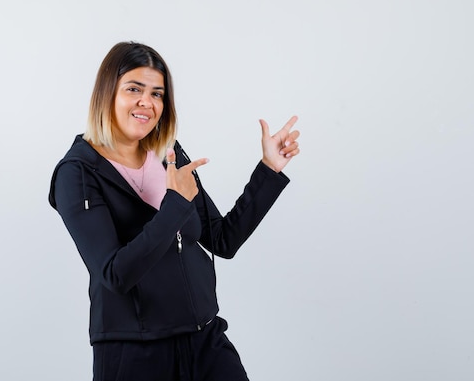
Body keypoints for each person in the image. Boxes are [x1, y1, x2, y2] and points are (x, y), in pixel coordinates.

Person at [48, 41, 300, 381]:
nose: (146, 102)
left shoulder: (167, 153)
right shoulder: (76, 173)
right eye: (134, 89)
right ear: (107, 93)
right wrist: (174, 205)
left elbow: (222, 239)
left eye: (157, 94)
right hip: (135, 353)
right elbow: (114, 274)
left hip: (205, 341)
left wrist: (269, 169)